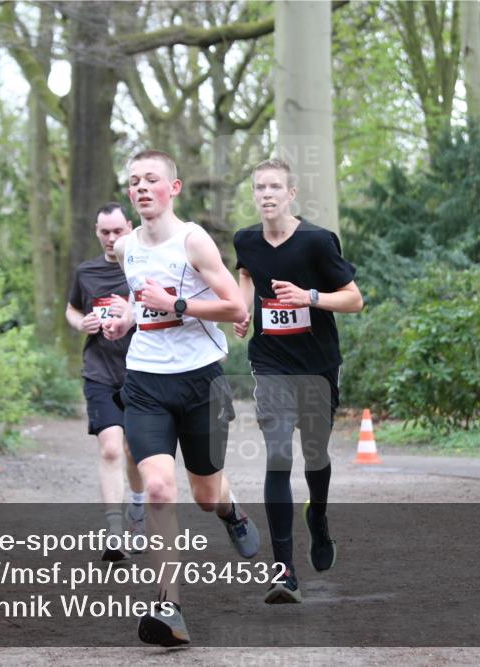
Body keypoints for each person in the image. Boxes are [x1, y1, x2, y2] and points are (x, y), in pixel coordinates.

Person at [103, 149, 260, 647]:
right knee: (158, 489)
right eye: (134, 182)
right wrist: (126, 319)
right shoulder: (126, 245)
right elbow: (136, 296)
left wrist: (176, 303)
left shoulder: (193, 241)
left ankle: (231, 510)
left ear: (174, 188)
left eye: (152, 180)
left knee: (205, 494)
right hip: (146, 381)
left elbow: (234, 305)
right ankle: (168, 606)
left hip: (200, 383)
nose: (141, 187)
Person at [233, 158, 364, 604]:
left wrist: (309, 297)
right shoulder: (246, 240)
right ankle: (284, 572)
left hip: (317, 364)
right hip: (270, 363)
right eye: (259, 188)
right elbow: (246, 273)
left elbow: (354, 299)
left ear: (291, 194)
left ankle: (320, 516)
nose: (266, 194)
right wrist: (242, 307)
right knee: (277, 456)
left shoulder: (317, 242)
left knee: (315, 455)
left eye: (274, 187)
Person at [65, 203, 146, 562]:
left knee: (134, 452)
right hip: (99, 371)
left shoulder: (144, 268)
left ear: (129, 227)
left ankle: (138, 510)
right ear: (96, 231)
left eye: (117, 231)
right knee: (111, 448)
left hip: (142, 371)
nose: (111, 239)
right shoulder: (86, 272)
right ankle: (114, 532)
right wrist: (79, 322)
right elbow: (72, 308)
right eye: (104, 232)